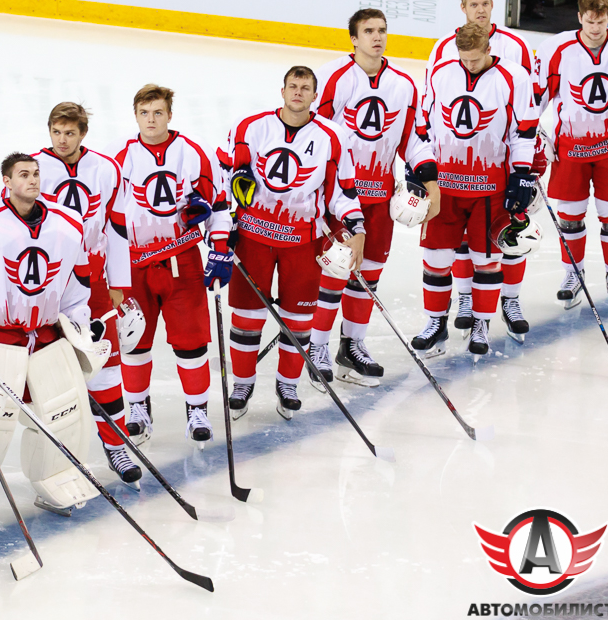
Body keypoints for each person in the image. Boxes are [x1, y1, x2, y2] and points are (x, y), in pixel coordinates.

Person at [0, 152, 100, 521]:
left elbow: (77, 278)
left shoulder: (66, 221)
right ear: (6, 181)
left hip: (48, 334)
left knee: (63, 411)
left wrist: (79, 323)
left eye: (35, 173)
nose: (32, 179)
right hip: (0, 336)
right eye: (23, 174)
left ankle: (55, 478)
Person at [224, 67, 365, 420]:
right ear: (282, 91)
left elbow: (342, 192)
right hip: (253, 238)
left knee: (299, 320)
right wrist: (226, 215)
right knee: (246, 317)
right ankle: (242, 384)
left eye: (305, 88)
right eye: (292, 86)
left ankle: (288, 385)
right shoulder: (250, 127)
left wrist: (357, 228)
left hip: (303, 242)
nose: (298, 92)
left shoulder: (332, 137)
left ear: (315, 96)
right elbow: (224, 174)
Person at [312, 9, 439, 386]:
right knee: (335, 269)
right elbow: (314, 134)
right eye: (368, 31)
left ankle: (352, 347)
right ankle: (317, 347)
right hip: (339, 195)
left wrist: (430, 181)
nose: (377, 37)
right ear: (353, 38)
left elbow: (413, 140)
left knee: (368, 274)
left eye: (382, 30)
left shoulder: (403, 84)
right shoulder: (332, 77)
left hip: (381, 195)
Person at [112, 85, 230, 444]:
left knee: (191, 342)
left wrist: (219, 248)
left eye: (158, 113)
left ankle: (197, 411)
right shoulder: (121, 158)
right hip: (133, 263)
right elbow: (107, 216)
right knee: (134, 340)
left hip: (181, 259)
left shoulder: (191, 152)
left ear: (169, 115)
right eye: (144, 113)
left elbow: (219, 204)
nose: (151, 120)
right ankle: (138, 408)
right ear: (135, 116)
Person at [31, 103, 140, 483]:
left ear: (82, 134)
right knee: (51, 377)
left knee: (106, 369)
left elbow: (117, 227)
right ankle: (59, 462)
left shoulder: (105, 168)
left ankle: (116, 446)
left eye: (70, 133)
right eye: (56, 132)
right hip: (47, 282)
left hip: (94, 283)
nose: (62, 140)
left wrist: (118, 283)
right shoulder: (32, 169)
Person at [413, 24, 537, 356]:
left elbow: (524, 131)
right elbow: (424, 125)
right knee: (436, 259)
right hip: (445, 187)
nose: (469, 65)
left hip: (491, 188)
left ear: (488, 49)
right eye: (463, 59)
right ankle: (436, 322)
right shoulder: (441, 73)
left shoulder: (514, 77)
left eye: (475, 59)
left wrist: (521, 173)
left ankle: (481, 324)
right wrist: (419, 167)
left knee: (487, 261)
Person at [538, 0, 608, 313]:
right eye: (590, 21)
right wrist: (534, 135)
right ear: (579, 17)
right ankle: (573, 275)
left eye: (602, 21)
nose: (596, 28)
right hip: (570, 150)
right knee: (570, 215)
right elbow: (537, 97)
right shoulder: (558, 50)